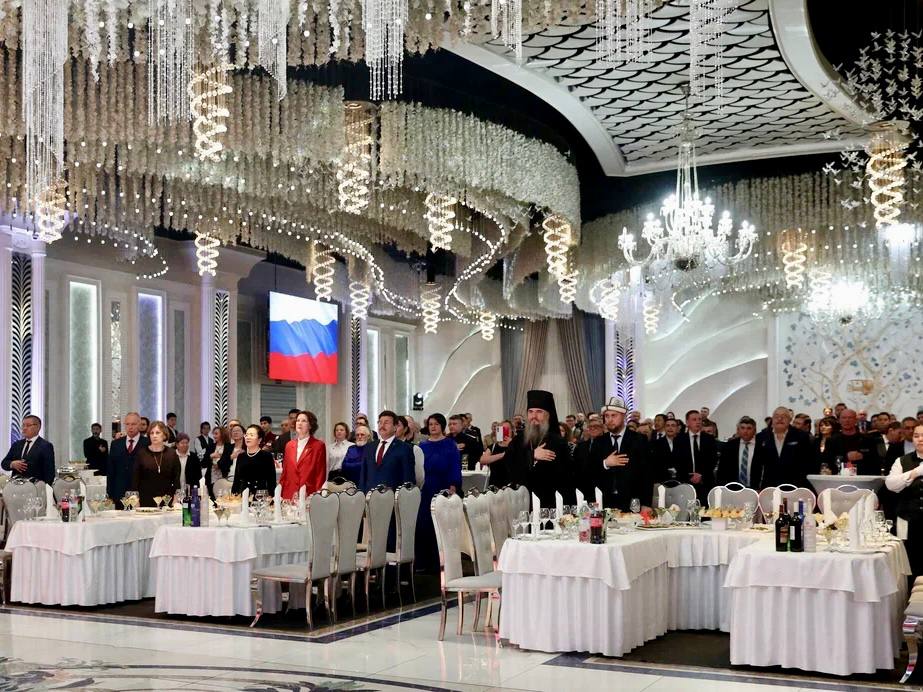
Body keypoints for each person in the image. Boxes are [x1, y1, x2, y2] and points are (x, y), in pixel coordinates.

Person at [504, 390, 574, 507]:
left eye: (539, 412)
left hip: (550, 502)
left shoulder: (558, 442)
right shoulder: (518, 440)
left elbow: (567, 476)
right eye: (530, 412)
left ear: (548, 415)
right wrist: (532, 456)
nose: (534, 416)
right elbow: (508, 464)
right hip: (523, 502)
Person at [416, 413, 463, 572]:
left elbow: (455, 466)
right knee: (424, 524)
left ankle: (442, 562)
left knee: (442, 524)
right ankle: (424, 562)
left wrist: (453, 486)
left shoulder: (450, 444)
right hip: (426, 488)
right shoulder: (422, 446)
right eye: (430, 424)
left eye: (436, 424)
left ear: (442, 426)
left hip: (443, 486)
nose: (433, 427)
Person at [594, 397, 652, 510]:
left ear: (624, 416)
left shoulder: (639, 440)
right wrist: (605, 463)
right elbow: (590, 470)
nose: (609, 420)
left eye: (614, 415)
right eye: (607, 416)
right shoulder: (599, 442)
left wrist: (646, 504)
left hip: (632, 502)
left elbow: (647, 474)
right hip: (605, 503)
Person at [885, 423, 923, 576]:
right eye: (916, 436)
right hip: (908, 518)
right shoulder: (902, 461)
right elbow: (891, 484)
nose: (920, 439)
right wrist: (915, 472)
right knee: (909, 563)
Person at [750, 407, 813, 489]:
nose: (780, 419)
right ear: (772, 419)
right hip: (769, 486)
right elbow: (756, 464)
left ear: (790, 419)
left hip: (795, 486)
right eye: (776, 416)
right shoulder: (761, 437)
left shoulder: (801, 436)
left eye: (784, 416)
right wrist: (755, 487)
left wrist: (804, 488)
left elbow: (807, 463)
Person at [359, 410, 416, 491]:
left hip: (393, 495)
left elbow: (408, 479)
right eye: (380, 422)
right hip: (370, 495)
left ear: (395, 427)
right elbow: (363, 476)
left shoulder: (405, 448)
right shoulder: (369, 447)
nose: (382, 425)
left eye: (386, 422)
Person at [280, 410, 327, 499]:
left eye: (304, 421)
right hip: (289, 494)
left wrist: (317, 495)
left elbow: (320, 474)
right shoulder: (289, 445)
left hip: (308, 494)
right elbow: (285, 473)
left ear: (310, 425)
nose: (299, 423)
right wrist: (281, 495)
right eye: (298, 420)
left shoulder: (318, 446)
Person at [132, 421, 181, 506]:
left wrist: (175, 502)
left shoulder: (172, 454)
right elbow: (135, 480)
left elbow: (176, 481)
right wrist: (136, 502)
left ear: (164, 435)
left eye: (157, 433)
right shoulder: (141, 454)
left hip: (167, 500)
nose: (154, 435)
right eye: (152, 433)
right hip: (145, 500)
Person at [672, 410, 716, 503]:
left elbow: (712, 460)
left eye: (699, 419)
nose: (698, 422)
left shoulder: (709, 439)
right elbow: (677, 461)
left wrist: (701, 475)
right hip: (685, 482)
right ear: (687, 422)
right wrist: (690, 475)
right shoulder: (679, 439)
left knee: (704, 509)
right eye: (694, 419)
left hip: (705, 482)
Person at [107, 412, 147, 506]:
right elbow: (111, 470)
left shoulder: (147, 443)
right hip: (119, 493)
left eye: (133, 424)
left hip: (141, 494)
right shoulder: (116, 444)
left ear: (139, 425)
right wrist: (110, 493)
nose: (130, 427)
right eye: (127, 424)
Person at [2, 415, 55, 484]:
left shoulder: (46, 446)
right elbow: (4, 463)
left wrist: (45, 488)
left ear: (38, 427)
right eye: (23, 425)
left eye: (28, 425)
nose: (24, 428)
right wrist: (12, 464)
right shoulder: (17, 444)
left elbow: (49, 472)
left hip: (35, 487)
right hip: (15, 486)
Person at [828, 408, 877, 475]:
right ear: (839, 420)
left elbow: (875, 461)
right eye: (844, 418)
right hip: (838, 477)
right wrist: (846, 457)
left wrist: (863, 456)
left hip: (863, 476)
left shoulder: (867, 440)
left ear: (856, 420)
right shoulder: (832, 440)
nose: (847, 420)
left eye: (850, 418)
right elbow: (828, 461)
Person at [232, 424, 277, 495]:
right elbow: (236, 479)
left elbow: (271, 481)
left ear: (259, 439)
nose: (248, 437)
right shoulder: (241, 456)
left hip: (260, 496)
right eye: (246, 435)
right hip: (243, 495)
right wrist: (233, 495)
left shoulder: (266, 456)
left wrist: (271, 496)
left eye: (252, 435)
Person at [717, 416, 757, 486]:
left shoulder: (761, 446)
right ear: (738, 430)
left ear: (754, 430)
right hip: (733, 487)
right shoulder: (729, 446)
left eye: (749, 428)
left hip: (755, 488)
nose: (745, 431)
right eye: (742, 428)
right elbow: (721, 470)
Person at [573, 417, 604, 498]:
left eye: (596, 426)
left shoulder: (609, 444)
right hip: (584, 488)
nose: (593, 428)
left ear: (602, 428)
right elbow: (575, 467)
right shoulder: (581, 446)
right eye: (590, 427)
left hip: (603, 487)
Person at [480, 419, 513, 488]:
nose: (505, 431)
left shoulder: (516, 446)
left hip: (511, 485)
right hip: (494, 485)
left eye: (507, 429)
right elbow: (482, 460)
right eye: (502, 429)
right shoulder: (493, 446)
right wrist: (502, 455)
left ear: (512, 431)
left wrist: (512, 444)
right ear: (499, 431)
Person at [396, 416, 425, 488]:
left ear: (405, 429)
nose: (394, 428)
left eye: (398, 425)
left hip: (407, 490)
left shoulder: (414, 449)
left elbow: (419, 477)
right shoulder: (385, 447)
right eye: (393, 425)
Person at [651, 417, 682, 483]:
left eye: (673, 425)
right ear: (664, 428)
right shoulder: (656, 444)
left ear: (677, 428)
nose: (670, 428)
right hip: (661, 480)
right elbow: (655, 463)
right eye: (667, 425)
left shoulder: (683, 443)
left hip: (680, 479)